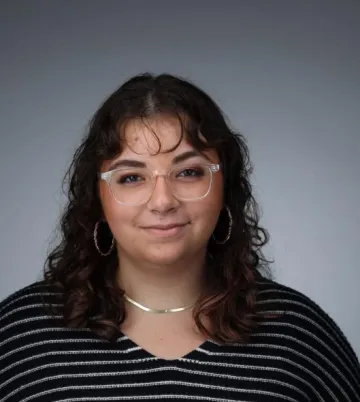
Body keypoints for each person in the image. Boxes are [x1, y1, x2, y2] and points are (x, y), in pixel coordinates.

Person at [0, 73, 359, 402]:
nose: (162, 201)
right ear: (97, 199)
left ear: (225, 187)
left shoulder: (298, 334)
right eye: (131, 177)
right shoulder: (21, 336)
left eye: (188, 172)